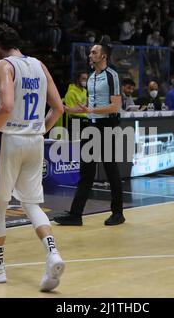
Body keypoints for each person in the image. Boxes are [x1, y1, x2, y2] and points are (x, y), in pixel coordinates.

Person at [0, 23, 65, 291]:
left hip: (10, 140)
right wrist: (37, 131)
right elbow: (58, 107)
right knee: (32, 204)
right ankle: (53, 254)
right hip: (35, 141)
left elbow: (7, 105)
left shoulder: (4, 65)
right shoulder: (39, 64)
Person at [54, 43, 125, 226]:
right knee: (86, 172)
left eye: (94, 52)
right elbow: (87, 108)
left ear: (103, 56)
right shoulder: (92, 77)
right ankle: (75, 215)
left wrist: (91, 109)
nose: (90, 54)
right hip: (92, 125)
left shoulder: (112, 75)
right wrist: (67, 109)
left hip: (108, 124)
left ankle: (118, 213)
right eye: (90, 52)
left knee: (111, 170)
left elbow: (115, 106)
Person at [63, 71, 88, 139]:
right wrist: (84, 108)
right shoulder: (71, 93)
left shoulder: (85, 91)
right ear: (78, 79)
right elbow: (70, 110)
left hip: (86, 120)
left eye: (86, 79)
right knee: (75, 143)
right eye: (83, 79)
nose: (85, 81)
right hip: (75, 120)